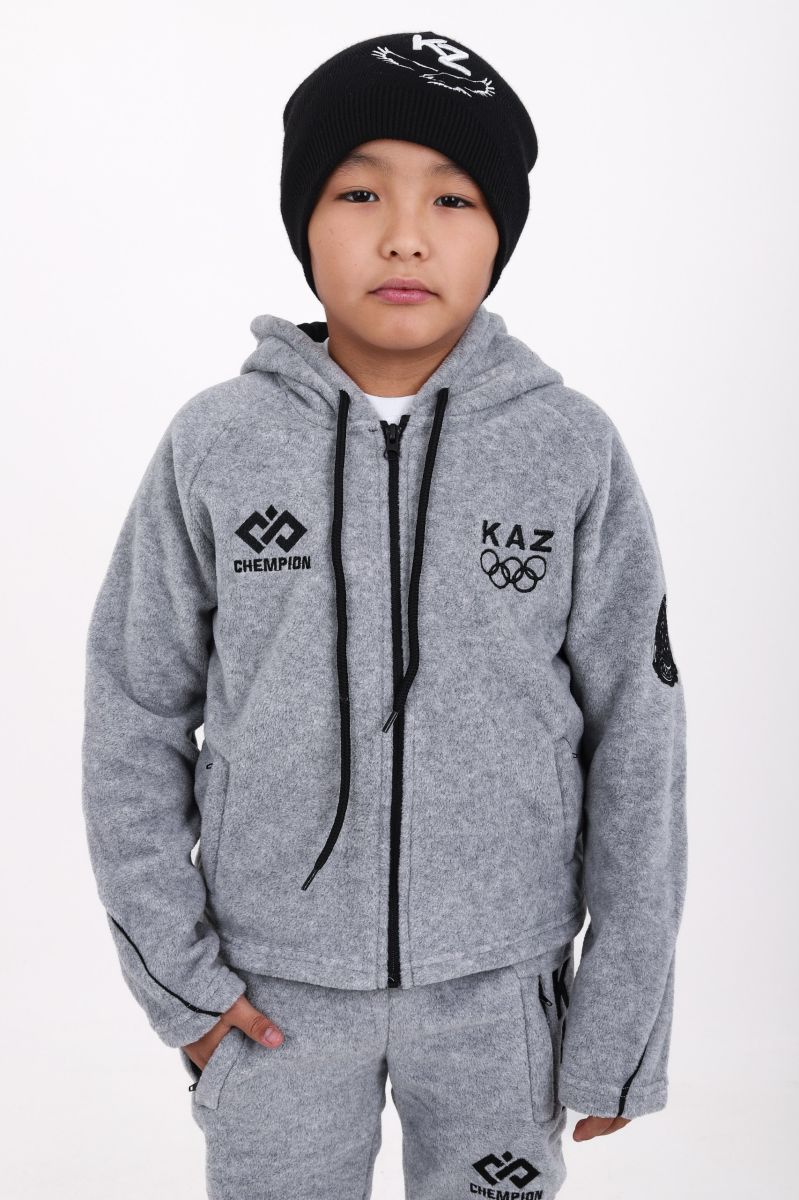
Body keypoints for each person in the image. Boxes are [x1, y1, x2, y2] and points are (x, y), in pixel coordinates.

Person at [81, 29, 688, 1200]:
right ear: (303, 221)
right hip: (269, 999)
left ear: (499, 233)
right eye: (359, 192)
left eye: (452, 198)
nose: (405, 234)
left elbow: (638, 738)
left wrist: (622, 1016)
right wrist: (183, 988)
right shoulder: (217, 442)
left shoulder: (568, 448)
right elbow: (131, 710)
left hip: (503, 998)